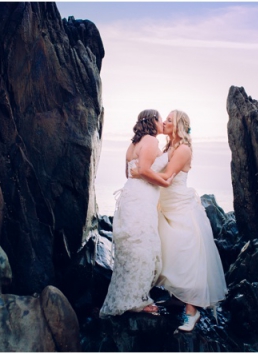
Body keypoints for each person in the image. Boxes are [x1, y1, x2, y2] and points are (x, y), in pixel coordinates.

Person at [131, 109, 227, 332]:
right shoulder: (167, 147)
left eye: (169, 120)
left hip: (181, 207)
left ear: (179, 125)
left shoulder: (183, 149)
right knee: (168, 252)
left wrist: (139, 172)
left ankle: (192, 310)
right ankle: (177, 297)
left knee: (186, 253)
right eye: (164, 119)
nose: (164, 122)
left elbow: (166, 177)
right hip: (165, 207)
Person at [99, 109, 174, 318]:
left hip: (131, 197)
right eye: (160, 119)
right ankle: (137, 299)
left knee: (132, 247)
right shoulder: (150, 140)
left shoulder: (133, 145)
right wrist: (165, 181)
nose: (162, 123)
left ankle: (128, 296)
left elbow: (129, 172)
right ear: (153, 121)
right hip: (141, 199)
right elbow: (143, 170)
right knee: (142, 247)